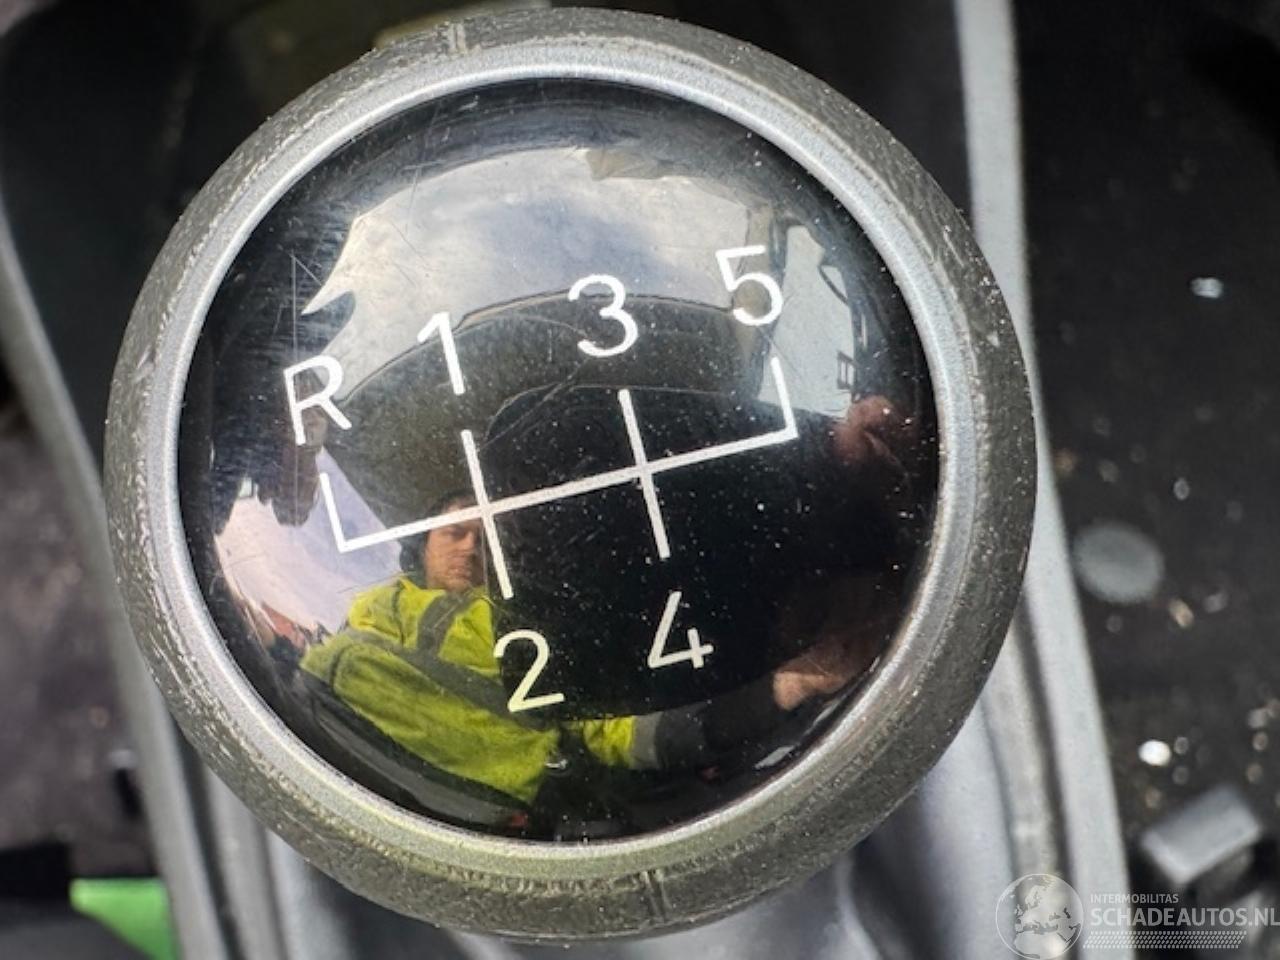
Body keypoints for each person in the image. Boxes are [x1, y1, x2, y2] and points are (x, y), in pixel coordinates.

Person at [299, 491, 878, 833]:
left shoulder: (528, 619)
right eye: (454, 533)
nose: (470, 546)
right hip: (333, 764)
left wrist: (785, 688)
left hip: (485, 820)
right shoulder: (371, 609)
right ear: (422, 545)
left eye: (484, 537)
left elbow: (617, 730)